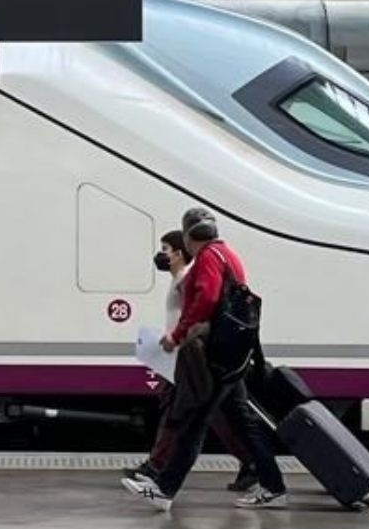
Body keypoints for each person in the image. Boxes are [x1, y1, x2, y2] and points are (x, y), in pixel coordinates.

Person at [121, 208, 287, 511]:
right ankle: (274, 486)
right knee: (243, 423)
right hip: (235, 353)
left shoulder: (209, 257)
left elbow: (207, 298)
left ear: (188, 236)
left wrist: (178, 334)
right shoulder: (228, 254)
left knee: (194, 421)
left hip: (218, 355)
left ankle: (165, 490)